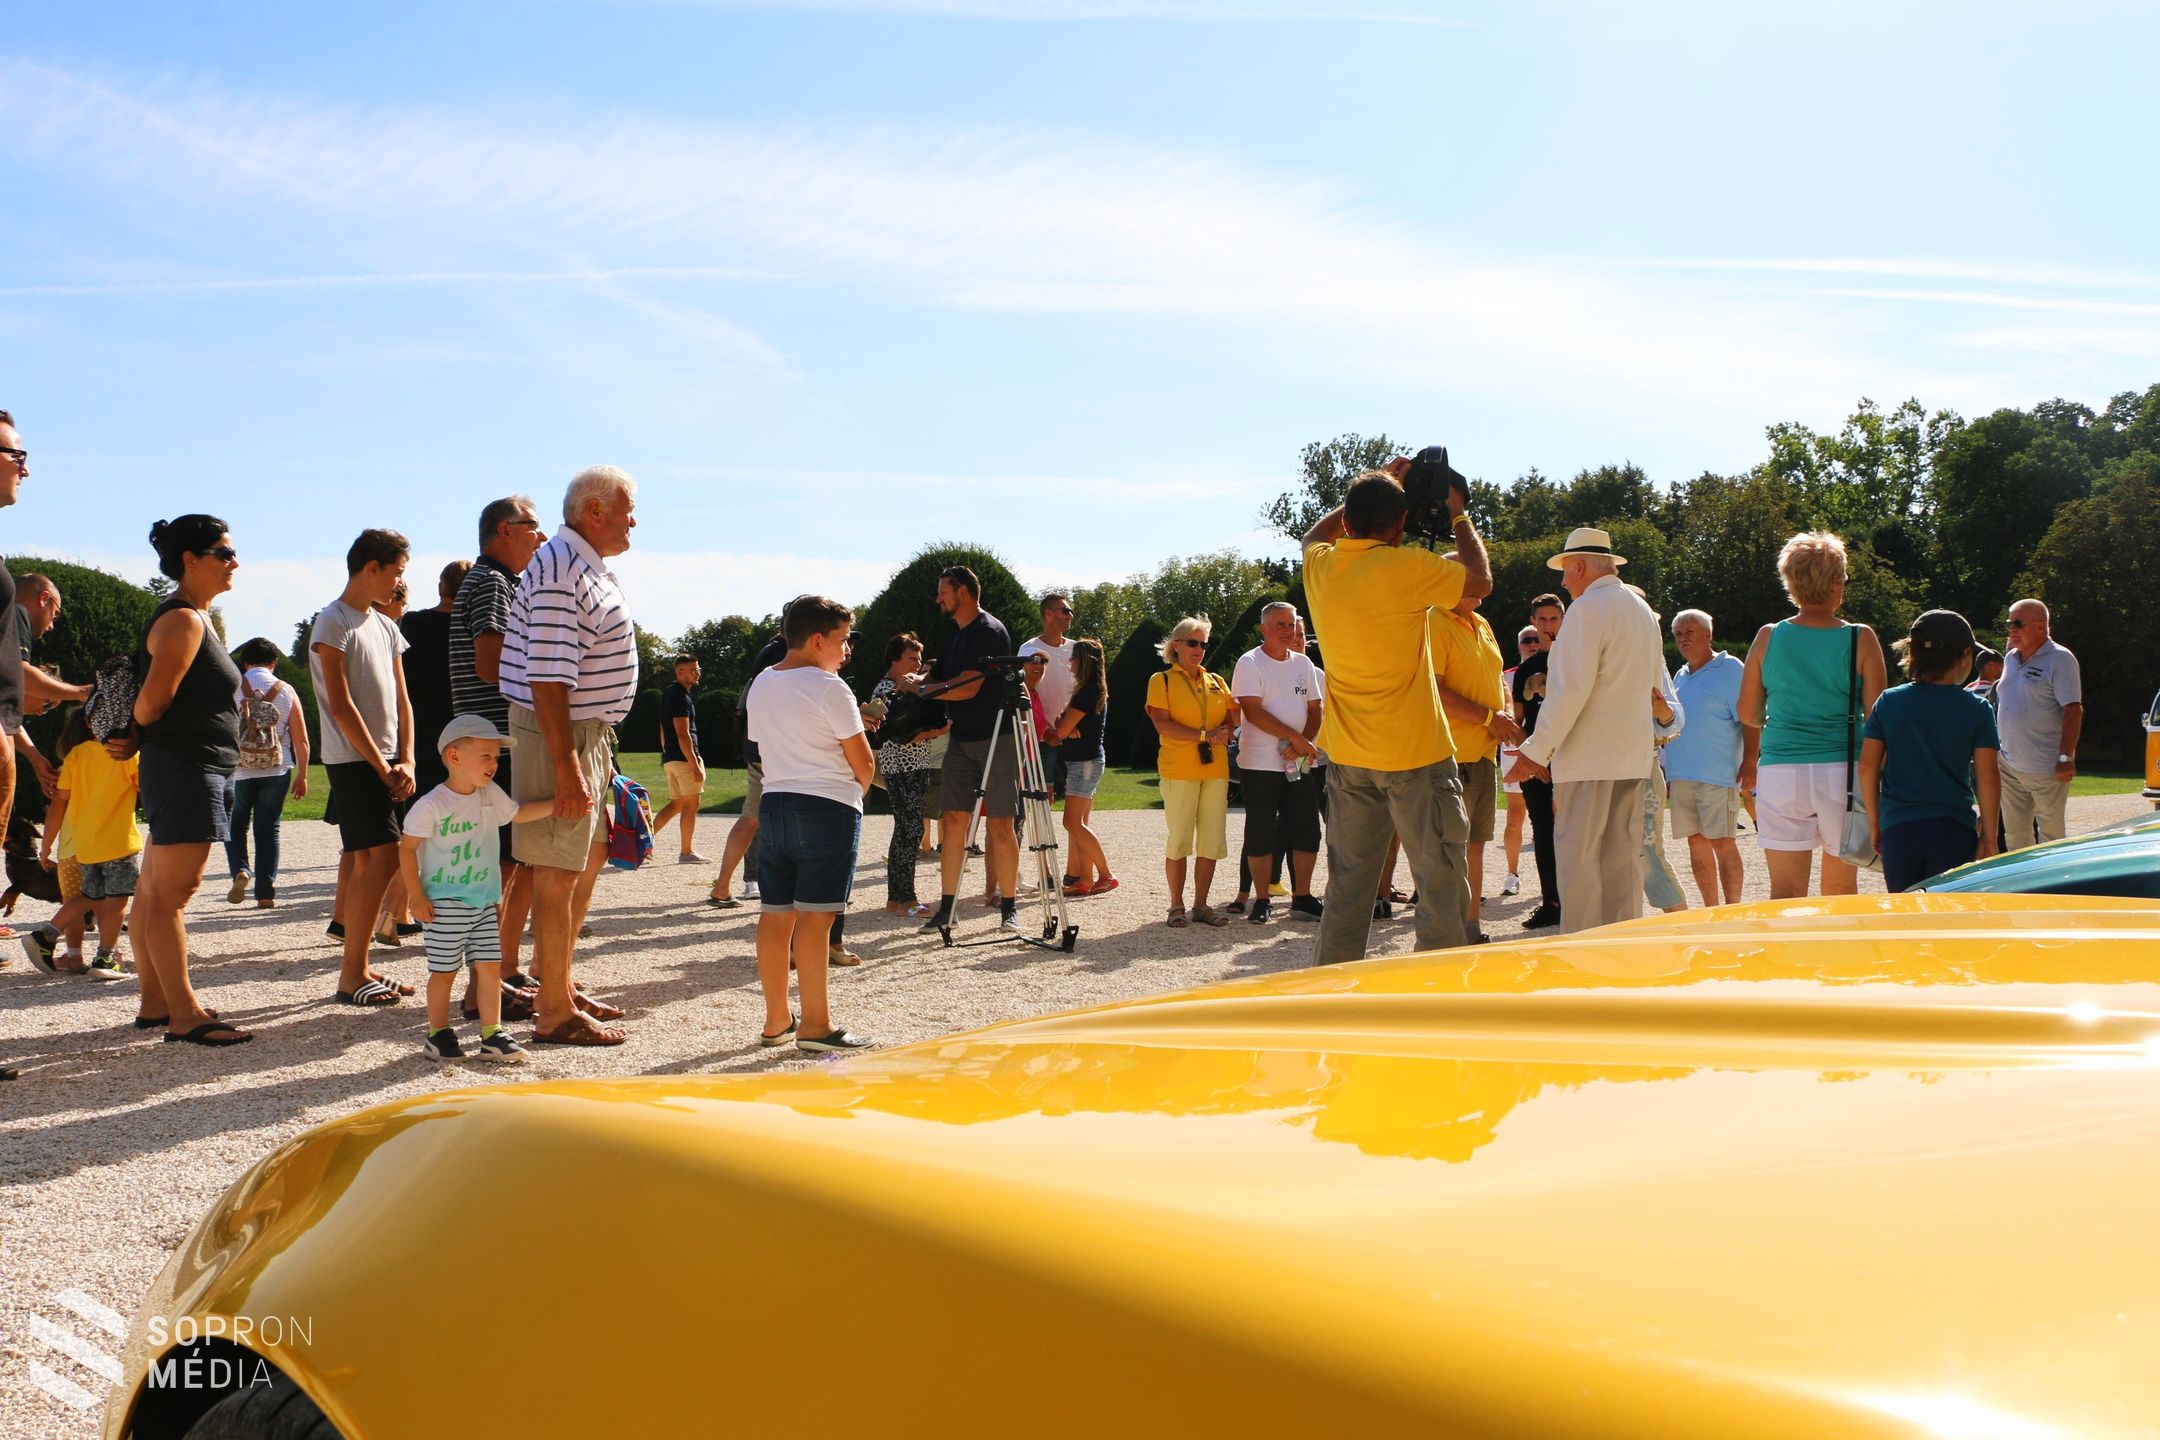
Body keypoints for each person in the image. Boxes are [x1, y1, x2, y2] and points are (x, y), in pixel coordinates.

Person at [1302, 465, 1491, 964]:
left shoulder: (1320, 567)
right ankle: (1440, 993)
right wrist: (1459, 515)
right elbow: (1481, 582)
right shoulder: (1407, 567)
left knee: (1348, 884)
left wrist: (1378, 479)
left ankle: (1333, 986)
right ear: (1402, 522)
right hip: (1415, 754)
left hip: (1349, 756)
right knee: (1440, 880)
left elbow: (1312, 535)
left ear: (1348, 522)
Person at [500, 466, 640, 1046]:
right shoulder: (562, 569)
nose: (634, 520)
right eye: (627, 508)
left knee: (581, 860)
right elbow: (548, 680)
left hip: (584, 732)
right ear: (593, 509)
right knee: (556, 870)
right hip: (561, 733)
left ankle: (554, 980)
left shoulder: (579, 565)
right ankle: (553, 1011)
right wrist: (565, 766)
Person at [1505, 529, 1667, 935]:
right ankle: (1622, 954)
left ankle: (1581, 958)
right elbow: (1652, 689)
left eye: (1565, 571)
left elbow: (1569, 690)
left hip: (1588, 760)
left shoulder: (1587, 609)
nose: (1563, 582)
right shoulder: (1642, 610)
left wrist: (1534, 751)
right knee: (1621, 863)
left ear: (1578, 566)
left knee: (1578, 864)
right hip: (1632, 757)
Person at [128, 515, 249, 1045]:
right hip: (186, 765)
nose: (234, 562)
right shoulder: (184, 621)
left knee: (154, 889)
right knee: (173, 894)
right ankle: (183, 1014)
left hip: (186, 764)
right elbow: (152, 703)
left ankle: (157, 1003)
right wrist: (133, 728)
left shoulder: (195, 617)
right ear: (190, 561)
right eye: (224, 553)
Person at [745, 595, 875, 1054]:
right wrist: (857, 788)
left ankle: (777, 1018)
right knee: (817, 921)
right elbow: (862, 762)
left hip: (776, 802)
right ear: (818, 640)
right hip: (827, 806)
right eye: (842, 640)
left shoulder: (761, 682)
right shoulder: (829, 686)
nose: (846, 650)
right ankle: (816, 1025)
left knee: (775, 916)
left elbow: (762, 746)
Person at [399, 716, 562, 1064]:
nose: (494, 763)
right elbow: (406, 848)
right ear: (454, 756)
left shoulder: (489, 794)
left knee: (489, 968)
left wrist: (557, 805)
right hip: (444, 903)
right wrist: (416, 895)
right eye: (485, 755)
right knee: (444, 971)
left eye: (496, 757)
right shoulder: (432, 804)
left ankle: (492, 1034)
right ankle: (438, 1034)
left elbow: (516, 815)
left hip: (484, 901)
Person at [1738, 532, 1887, 900]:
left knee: (1785, 891)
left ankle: (1787, 957)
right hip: (1843, 771)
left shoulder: (1768, 636)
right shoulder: (1860, 638)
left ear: (1791, 582)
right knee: (1839, 888)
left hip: (1781, 770)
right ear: (1836, 583)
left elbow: (1748, 712)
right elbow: (1880, 718)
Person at [312, 529, 417, 1007]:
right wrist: (380, 764)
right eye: (395, 571)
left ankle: (360, 967)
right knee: (384, 856)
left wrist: (408, 757)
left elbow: (402, 698)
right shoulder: (332, 622)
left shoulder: (386, 625)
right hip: (354, 759)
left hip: (389, 761)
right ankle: (351, 973)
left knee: (375, 860)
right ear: (371, 567)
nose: (399, 583)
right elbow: (340, 705)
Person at [450, 494, 548, 998]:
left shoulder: (502, 582)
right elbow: (492, 666)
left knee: (520, 861)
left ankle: (504, 971)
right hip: (497, 743)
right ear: (505, 530)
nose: (543, 537)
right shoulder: (491, 582)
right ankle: (482, 986)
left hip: (499, 741)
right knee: (504, 866)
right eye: (535, 526)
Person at [912, 566, 1022, 936]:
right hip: (961, 739)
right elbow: (940, 672)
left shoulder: (989, 632)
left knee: (1001, 825)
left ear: (962, 591)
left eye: (943, 591)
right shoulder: (957, 634)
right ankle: (948, 907)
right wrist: (918, 679)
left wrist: (926, 691)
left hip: (997, 737)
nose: (938, 598)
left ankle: (1009, 907)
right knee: (953, 822)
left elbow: (967, 687)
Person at [1860, 610, 2003, 892]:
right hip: (1953, 828)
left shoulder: (1889, 702)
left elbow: (1867, 766)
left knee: (1904, 910)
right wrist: (1990, 835)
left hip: (1898, 828)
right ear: (1964, 656)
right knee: (1945, 913)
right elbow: (1988, 777)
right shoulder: (1977, 709)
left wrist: (1875, 822)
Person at [1430, 582, 1519, 943]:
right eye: (1471, 576)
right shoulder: (1433, 621)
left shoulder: (1481, 622)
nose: (1482, 582)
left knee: (1476, 844)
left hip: (1483, 756)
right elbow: (1432, 689)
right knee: (1447, 848)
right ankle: (1445, 931)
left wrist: (1507, 717)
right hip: (1452, 755)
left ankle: (1470, 927)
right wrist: (1489, 719)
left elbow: (1499, 683)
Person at [1228, 602, 1324, 926]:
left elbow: (1315, 710)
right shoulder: (1250, 663)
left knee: (1308, 829)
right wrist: (1296, 740)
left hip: (1298, 763)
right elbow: (1252, 712)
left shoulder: (1303, 663)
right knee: (1261, 831)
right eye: (1280, 624)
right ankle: (1262, 899)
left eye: (1291, 624)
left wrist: (1303, 743)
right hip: (1259, 763)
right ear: (1264, 629)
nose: (1288, 630)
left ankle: (1303, 896)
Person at [1145, 617, 1239, 927]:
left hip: (1216, 770)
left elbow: (1232, 718)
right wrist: (1204, 735)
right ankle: (1176, 905)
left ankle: (1201, 905)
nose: (1199, 649)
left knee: (1211, 839)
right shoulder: (1162, 680)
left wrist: (1226, 730)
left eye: (1203, 643)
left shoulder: (1216, 681)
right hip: (1179, 770)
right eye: (1193, 643)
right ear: (1176, 646)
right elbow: (1163, 725)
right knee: (1180, 839)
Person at [32, 707, 136, 980]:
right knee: (115, 903)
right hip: (118, 841)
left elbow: (59, 803)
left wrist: (46, 845)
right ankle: (105, 957)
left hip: (83, 845)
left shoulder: (76, 756)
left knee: (88, 896)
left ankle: (49, 936)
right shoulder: (128, 755)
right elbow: (147, 789)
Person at [1664, 608, 1751, 907]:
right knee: (1695, 841)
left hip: (1718, 772)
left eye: (1690, 632)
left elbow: (1750, 719)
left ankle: (1733, 909)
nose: (1683, 639)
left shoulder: (1730, 669)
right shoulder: (1680, 675)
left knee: (1723, 842)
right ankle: (1711, 910)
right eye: (1678, 634)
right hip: (1682, 774)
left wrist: (1751, 762)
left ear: (1708, 634)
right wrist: (1667, 770)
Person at [225, 637, 308, 908]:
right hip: (277, 766)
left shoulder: (233, 688)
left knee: (235, 825)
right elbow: (301, 739)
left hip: (239, 769)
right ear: (273, 663)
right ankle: (265, 894)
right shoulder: (286, 690)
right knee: (268, 829)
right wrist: (302, 775)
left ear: (245, 663)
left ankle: (240, 870)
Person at [1995, 598, 2082, 849]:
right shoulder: (2010, 658)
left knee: (2051, 836)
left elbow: (2073, 709)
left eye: (2018, 623)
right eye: (2009, 623)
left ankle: (2053, 888)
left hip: (2046, 767)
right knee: (2014, 836)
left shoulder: (2060, 659)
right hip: (2009, 765)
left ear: (2041, 626)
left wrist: (2066, 757)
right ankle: (2021, 886)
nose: (2012, 629)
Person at [709, 626, 787, 908]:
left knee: (756, 818)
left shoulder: (771, 652)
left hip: (761, 747)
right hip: (771, 748)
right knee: (755, 818)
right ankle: (727, 885)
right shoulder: (779, 654)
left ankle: (726, 886)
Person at [871, 632, 943, 915]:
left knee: (909, 830)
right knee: (909, 830)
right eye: (912, 658)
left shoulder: (905, 687)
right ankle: (904, 899)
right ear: (894, 659)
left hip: (915, 764)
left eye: (920, 659)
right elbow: (896, 734)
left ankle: (899, 898)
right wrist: (935, 731)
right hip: (901, 766)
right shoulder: (887, 688)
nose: (917, 664)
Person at [1510, 594, 1567, 928]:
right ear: (1533, 622)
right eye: (1542, 620)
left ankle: (1579, 899)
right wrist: (1534, 759)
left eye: (1554, 619)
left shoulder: (1575, 659)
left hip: (1572, 759)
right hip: (1536, 764)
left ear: (1564, 620)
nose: (1548, 626)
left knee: (1576, 830)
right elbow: (1518, 722)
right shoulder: (1527, 670)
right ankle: (1552, 902)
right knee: (1543, 830)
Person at [13, 573, 92, 804]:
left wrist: (36, 759)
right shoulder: (15, 613)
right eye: (55, 614)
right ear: (44, 598)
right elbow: (19, 673)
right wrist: (80, 692)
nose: (51, 626)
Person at [1046, 638, 1115, 897]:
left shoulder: (1087, 692)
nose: (1069, 661)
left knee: (1072, 822)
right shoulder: (1089, 690)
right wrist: (1064, 726)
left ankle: (1106, 874)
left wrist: (1063, 728)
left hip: (1085, 763)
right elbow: (1062, 724)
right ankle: (1085, 879)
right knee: (1080, 822)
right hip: (1085, 761)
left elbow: (1059, 730)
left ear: (1083, 661)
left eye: (1073, 657)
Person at [401, 561, 467, 801]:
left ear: (442, 587)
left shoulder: (413, 623)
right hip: (461, 718)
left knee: (424, 799)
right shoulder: (470, 628)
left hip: (422, 718)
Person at [1019, 593, 1077, 803]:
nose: (1071, 616)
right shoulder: (1028, 650)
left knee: (1078, 796)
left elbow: (1081, 689)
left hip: (1072, 734)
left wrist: (1073, 722)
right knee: (1037, 797)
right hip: (1039, 737)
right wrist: (1046, 729)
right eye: (1066, 611)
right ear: (1048, 614)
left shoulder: (1075, 649)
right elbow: (1024, 694)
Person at [651, 653, 708, 862]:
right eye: (693, 670)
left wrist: (667, 752)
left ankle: (642, 843)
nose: (697, 673)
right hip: (684, 759)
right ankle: (686, 852)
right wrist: (695, 764)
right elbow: (683, 734)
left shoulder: (669, 693)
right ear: (679, 671)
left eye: (697, 668)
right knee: (691, 806)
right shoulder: (680, 696)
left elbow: (662, 729)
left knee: (675, 804)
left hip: (671, 759)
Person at [1498, 626, 1539, 898]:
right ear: (1519, 645)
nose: (1533, 644)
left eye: (1537, 639)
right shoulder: (1507, 677)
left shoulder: (1556, 669)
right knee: (1515, 816)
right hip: (1514, 752)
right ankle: (1512, 874)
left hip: (1550, 753)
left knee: (1554, 818)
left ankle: (1554, 878)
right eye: (1527, 640)